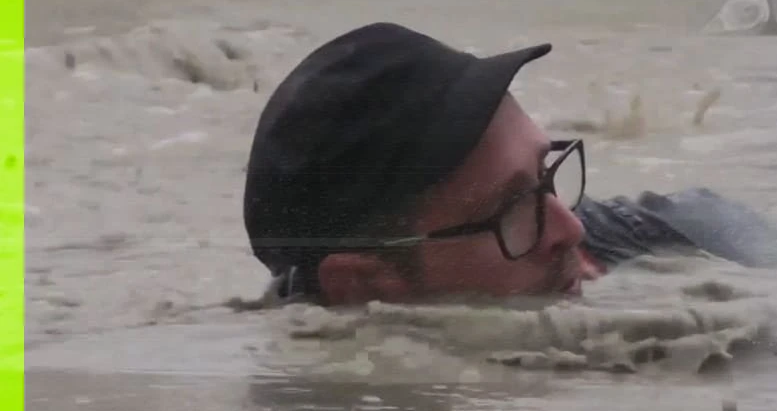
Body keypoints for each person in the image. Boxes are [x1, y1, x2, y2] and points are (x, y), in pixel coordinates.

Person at [244, 22, 716, 307]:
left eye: (546, 176)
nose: (571, 230)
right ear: (362, 288)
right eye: (512, 208)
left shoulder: (680, 233)